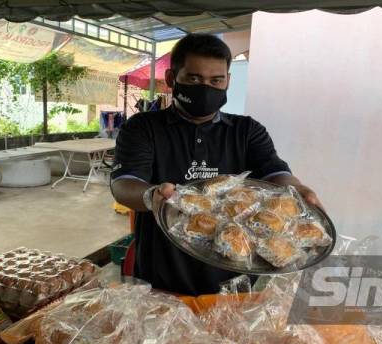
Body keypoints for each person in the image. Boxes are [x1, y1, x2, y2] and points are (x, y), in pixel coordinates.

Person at [111, 33, 322, 296]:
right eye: (194, 78)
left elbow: (275, 172)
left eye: (216, 80)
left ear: (228, 81)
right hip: (162, 276)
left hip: (234, 280)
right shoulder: (143, 127)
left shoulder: (247, 130)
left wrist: (296, 189)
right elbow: (123, 184)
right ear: (171, 79)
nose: (206, 87)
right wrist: (151, 196)